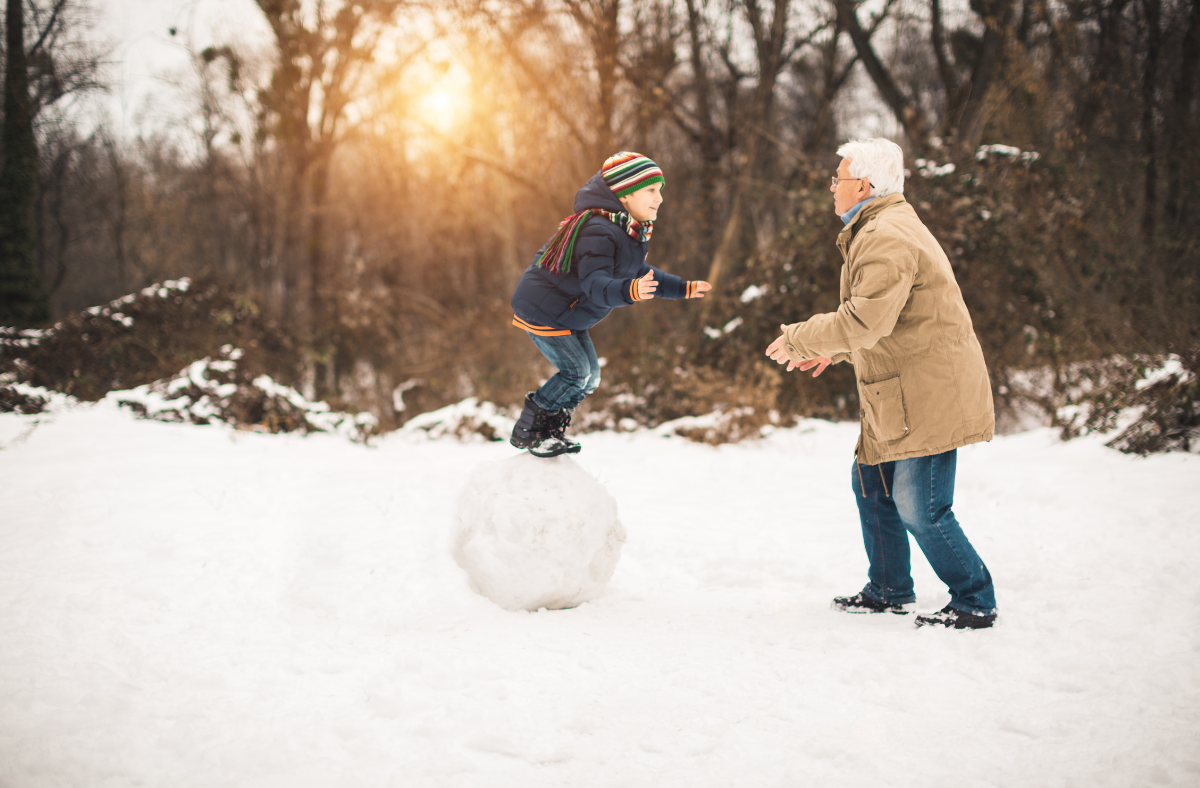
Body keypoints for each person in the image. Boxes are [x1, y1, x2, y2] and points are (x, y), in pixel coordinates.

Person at [765, 138, 998, 630]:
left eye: (838, 178)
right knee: (871, 480)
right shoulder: (879, 227)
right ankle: (890, 588)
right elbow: (892, 317)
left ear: (863, 185)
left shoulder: (886, 234)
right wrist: (837, 349)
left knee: (922, 506)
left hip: (929, 391)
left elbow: (868, 319)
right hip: (904, 386)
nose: (832, 187)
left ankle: (974, 599)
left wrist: (803, 339)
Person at [510, 152, 711, 458]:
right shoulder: (598, 231)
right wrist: (631, 291)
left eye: (660, 191)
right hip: (545, 310)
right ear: (625, 193)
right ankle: (531, 431)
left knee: (592, 377)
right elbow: (596, 285)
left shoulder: (627, 232)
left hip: (569, 313)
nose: (660, 199)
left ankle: (551, 427)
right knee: (577, 372)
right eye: (651, 191)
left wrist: (681, 288)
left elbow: (641, 273)